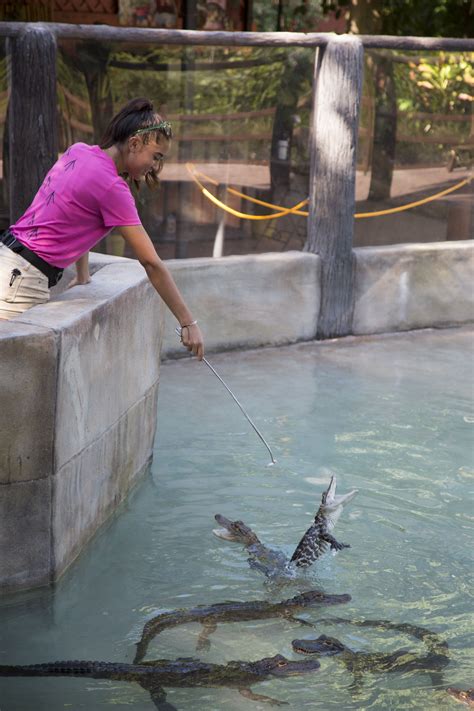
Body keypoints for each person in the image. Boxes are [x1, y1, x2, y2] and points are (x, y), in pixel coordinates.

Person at [0, 97, 204, 359]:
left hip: (7, 258)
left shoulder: (79, 151)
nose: (155, 166)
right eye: (156, 156)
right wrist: (188, 322)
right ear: (134, 143)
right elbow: (151, 263)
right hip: (21, 282)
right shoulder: (112, 187)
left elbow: (73, 214)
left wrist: (83, 275)